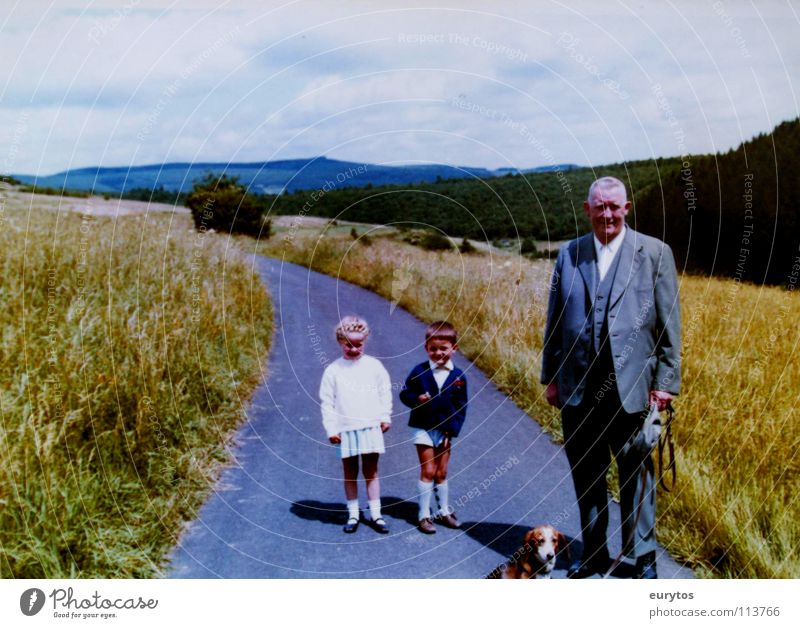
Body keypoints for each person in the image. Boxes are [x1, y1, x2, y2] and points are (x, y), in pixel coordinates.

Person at [541, 176, 681, 579]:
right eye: (599, 206)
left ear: (626, 208)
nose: (607, 214)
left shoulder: (654, 253)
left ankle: (644, 557)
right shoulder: (570, 254)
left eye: (613, 206)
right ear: (587, 210)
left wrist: (666, 382)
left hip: (633, 387)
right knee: (587, 473)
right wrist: (550, 376)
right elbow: (554, 320)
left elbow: (670, 322)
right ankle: (595, 552)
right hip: (578, 386)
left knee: (636, 472)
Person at [319, 316, 392, 534]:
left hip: (370, 427)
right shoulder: (333, 370)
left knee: (372, 472)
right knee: (350, 472)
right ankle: (353, 514)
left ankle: (376, 514)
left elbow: (384, 392)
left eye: (358, 344)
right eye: (348, 344)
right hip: (345, 430)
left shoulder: (374, 366)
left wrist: (385, 416)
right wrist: (331, 429)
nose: (353, 348)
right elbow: (327, 401)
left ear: (365, 342)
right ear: (340, 342)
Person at [400, 321, 468, 534]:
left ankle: (444, 511)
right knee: (428, 470)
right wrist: (416, 398)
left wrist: (452, 430)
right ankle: (423, 515)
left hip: (445, 430)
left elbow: (461, 407)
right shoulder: (419, 371)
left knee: (442, 472)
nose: (438, 353)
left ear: (454, 349)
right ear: (426, 348)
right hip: (423, 427)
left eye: (443, 349)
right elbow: (405, 393)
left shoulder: (458, 377)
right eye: (433, 349)